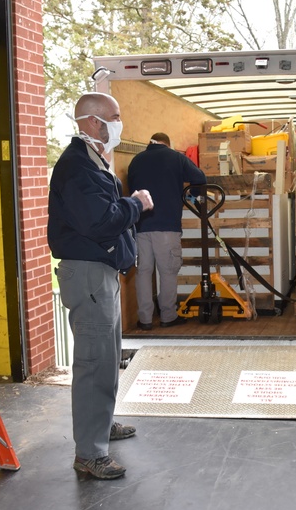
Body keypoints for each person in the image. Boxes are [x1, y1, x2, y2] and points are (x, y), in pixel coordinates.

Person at [48, 92, 154, 480]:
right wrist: (137, 203)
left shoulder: (93, 162)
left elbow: (101, 215)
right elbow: (99, 222)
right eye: (115, 117)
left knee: (108, 357)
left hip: (101, 273)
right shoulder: (78, 167)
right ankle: (90, 453)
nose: (119, 124)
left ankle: (101, 424)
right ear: (93, 123)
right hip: (88, 274)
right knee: (93, 363)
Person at [127, 132, 206, 330]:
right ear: (168, 144)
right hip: (167, 227)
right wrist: (191, 196)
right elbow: (200, 178)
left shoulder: (136, 161)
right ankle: (168, 316)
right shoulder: (176, 158)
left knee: (143, 272)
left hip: (141, 226)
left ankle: (145, 319)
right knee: (168, 271)